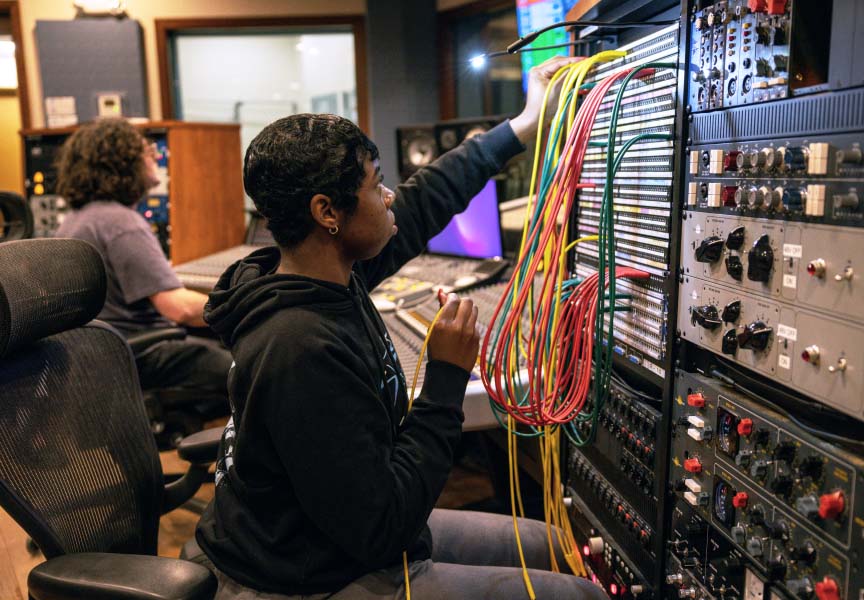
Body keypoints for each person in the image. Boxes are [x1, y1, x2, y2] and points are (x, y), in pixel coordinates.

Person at [196, 56, 606, 599]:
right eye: (376, 184)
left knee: (555, 544)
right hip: (306, 575)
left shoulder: (324, 271)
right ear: (328, 212)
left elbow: (421, 203)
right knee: (583, 595)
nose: (390, 195)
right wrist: (445, 378)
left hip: (336, 531)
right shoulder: (299, 346)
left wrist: (524, 126)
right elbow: (381, 528)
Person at [54, 119, 231, 398]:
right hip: (142, 352)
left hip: (102, 354)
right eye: (147, 151)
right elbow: (179, 309)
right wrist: (242, 305)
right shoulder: (121, 222)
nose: (155, 156)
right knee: (249, 370)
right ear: (122, 162)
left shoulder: (74, 221)